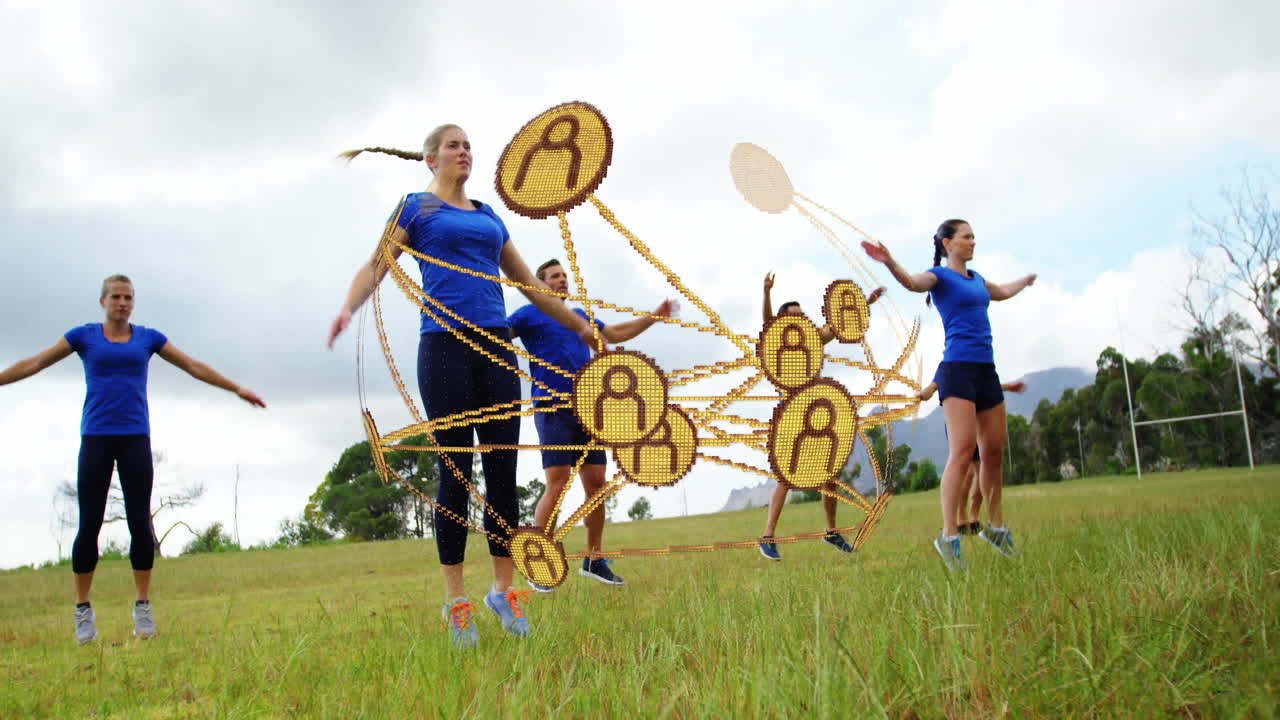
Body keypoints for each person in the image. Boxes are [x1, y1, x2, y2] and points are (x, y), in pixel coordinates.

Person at [327, 124, 603, 648]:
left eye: (468, 145)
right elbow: (376, 266)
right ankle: (456, 602)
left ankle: (503, 591)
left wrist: (579, 326)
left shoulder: (489, 215)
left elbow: (530, 287)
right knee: (455, 472)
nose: (464, 152)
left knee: (502, 472)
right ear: (430, 158)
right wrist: (347, 308)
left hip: (495, 348)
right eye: (454, 145)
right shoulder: (417, 208)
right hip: (444, 348)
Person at [0, 274, 265, 644]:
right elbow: (37, 362)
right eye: (116, 297)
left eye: (128, 297)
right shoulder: (83, 336)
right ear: (103, 302)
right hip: (96, 438)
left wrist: (236, 388)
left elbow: (192, 366)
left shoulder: (148, 339)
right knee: (89, 525)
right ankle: (82, 609)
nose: (122, 303)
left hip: (135, 439)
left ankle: (142, 606)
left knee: (140, 524)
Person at [863, 219, 1035, 570]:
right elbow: (912, 283)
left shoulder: (977, 280)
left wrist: (1025, 281)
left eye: (973, 236)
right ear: (948, 243)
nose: (972, 241)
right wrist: (890, 261)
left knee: (993, 452)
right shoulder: (939, 276)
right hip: (957, 370)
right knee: (962, 452)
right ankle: (949, 536)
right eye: (966, 237)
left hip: (986, 370)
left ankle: (996, 529)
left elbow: (1001, 291)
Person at [509, 259, 672, 590]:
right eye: (554, 276)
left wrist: (654, 316)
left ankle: (594, 559)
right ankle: (539, 563)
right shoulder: (528, 314)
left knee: (596, 484)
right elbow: (496, 334)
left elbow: (615, 333)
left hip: (587, 411)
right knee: (557, 483)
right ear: (539, 283)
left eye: (564, 276)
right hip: (552, 408)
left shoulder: (579, 317)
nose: (562, 280)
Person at [756, 271, 885, 561]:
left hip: (816, 414)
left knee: (831, 473)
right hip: (791, 416)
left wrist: (866, 303)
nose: (800, 319)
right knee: (786, 476)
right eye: (793, 316)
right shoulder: (777, 343)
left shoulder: (812, 340)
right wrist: (766, 293)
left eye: (802, 315)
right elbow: (767, 322)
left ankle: (831, 532)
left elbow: (837, 326)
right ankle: (767, 537)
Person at [917, 376, 1027, 534]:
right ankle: (960, 521)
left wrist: (1009, 387)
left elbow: (983, 382)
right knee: (967, 471)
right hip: (960, 417)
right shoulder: (953, 366)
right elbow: (943, 374)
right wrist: (930, 389)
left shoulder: (977, 367)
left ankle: (973, 518)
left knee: (981, 469)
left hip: (979, 416)